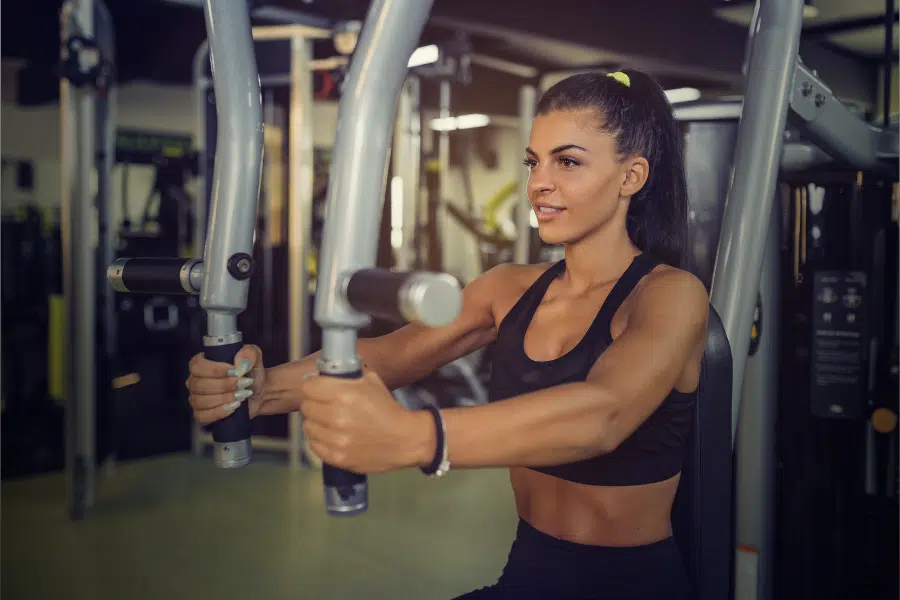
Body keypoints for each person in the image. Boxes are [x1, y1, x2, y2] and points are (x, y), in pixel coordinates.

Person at [186, 69, 708, 600]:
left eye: (567, 161)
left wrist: (414, 438)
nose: (539, 183)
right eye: (534, 162)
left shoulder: (669, 294)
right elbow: (388, 356)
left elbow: (603, 414)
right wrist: (260, 389)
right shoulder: (508, 289)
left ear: (631, 177)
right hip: (528, 573)